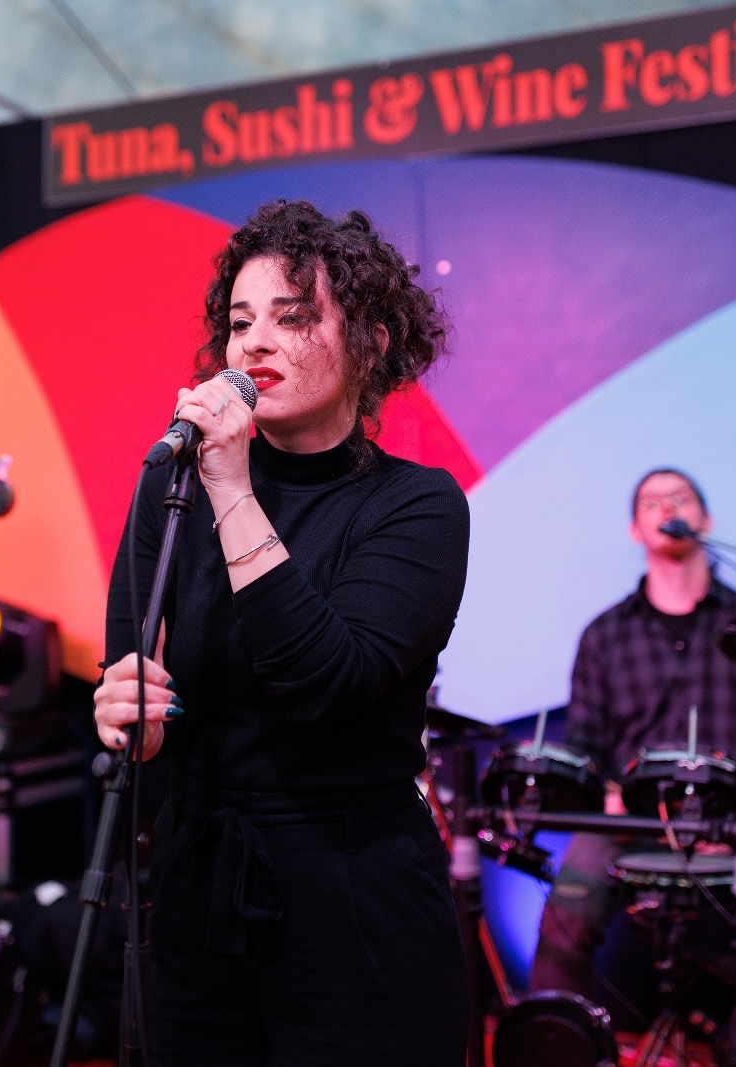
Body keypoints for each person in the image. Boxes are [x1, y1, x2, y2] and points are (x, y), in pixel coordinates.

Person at [92, 200, 470, 1066]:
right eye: (240, 322)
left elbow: (322, 681)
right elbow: (134, 681)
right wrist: (126, 717)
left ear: (371, 343)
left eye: (293, 317)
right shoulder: (171, 487)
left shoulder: (416, 505)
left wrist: (232, 486)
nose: (255, 342)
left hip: (355, 900)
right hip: (199, 899)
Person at [529, 468, 736, 1061]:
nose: (667, 509)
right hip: (630, 825)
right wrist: (626, 809)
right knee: (562, 922)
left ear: (705, 520)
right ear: (636, 529)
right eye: (651, 503)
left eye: (679, 499)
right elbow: (585, 753)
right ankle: (561, 1052)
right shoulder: (604, 636)